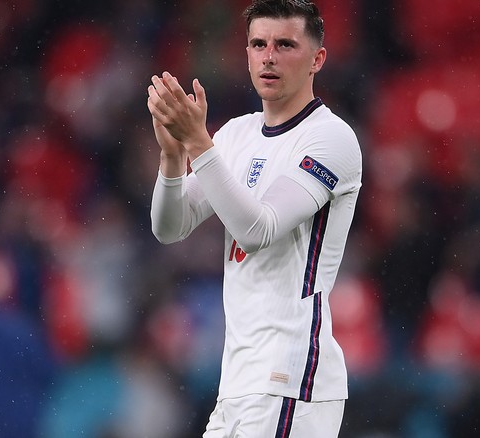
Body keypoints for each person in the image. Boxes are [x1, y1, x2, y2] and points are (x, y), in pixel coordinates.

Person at [147, 0, 362, 436]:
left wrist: (198, 143)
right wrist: (173, 157)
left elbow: (258, 229)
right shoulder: (235, 135)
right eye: (258, 44)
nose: (269, 56)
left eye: (285, 44)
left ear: (317, 58)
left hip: (290, 376)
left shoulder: (331, 138)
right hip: (239, 381)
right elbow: (169, 228)